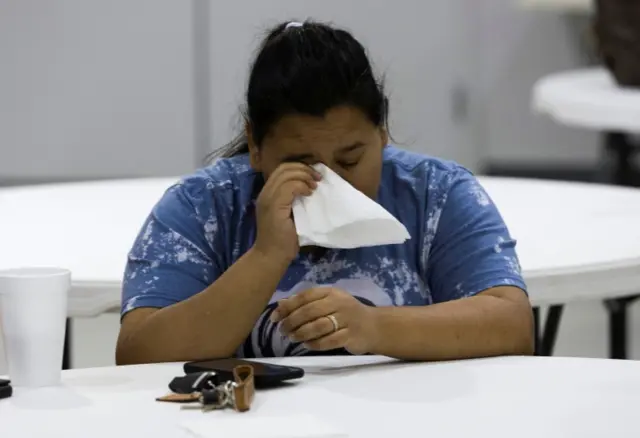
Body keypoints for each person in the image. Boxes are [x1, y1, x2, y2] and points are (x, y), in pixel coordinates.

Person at [115, 20, 533, 365]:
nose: (330, 183)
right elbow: (139, 355)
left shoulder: (436, 194)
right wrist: (266, 256)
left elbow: (512, 325)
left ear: (382, 133)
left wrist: (374, 327)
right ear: (256, 148)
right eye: (302, 164)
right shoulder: (202, 207)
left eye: (351, 160)